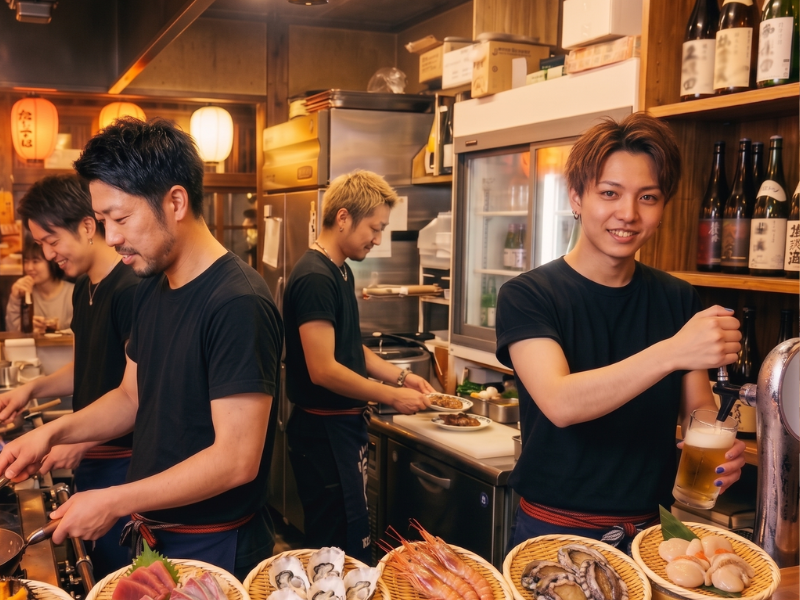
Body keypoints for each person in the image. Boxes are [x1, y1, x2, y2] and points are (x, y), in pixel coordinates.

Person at [0, 117, 283, 580]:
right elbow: (130, 397)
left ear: (175, 201)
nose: (110, 237)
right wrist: (51, 434)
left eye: (120, 218)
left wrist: (114, 499)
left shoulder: (238, 302)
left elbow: (236, 460)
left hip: (215, 543)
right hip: (157, 533)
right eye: (105, 220)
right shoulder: (153, 286)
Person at [495, 113, 746, 550]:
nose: (628, 214)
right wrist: (672, 351)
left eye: (647, 197)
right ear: (576, 197)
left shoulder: (678, 299)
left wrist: (719, 449)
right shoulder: (528, 295)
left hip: (651, 534)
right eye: (609, 193)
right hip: (553, 532)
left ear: (663, 207)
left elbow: (698, 412)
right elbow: (560, 402)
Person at [283, 170, 433, 562]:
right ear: (344, 217)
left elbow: (351, 349)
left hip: (341, 431)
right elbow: (324, 369)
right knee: (334, 552)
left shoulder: (340, 270)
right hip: (322, 435)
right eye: (375, 227)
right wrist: (391, 396)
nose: (378, 238)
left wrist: (403, 376)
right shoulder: (315, 277)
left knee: (352, 540)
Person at [0, 174, 139, 577]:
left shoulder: (129, 289)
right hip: (94, 454)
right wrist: (32, 389)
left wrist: (78, 440)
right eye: (40, 244)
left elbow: (136, 395)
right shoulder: (84, 288)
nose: (47, 254)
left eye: (51, 239)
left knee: (117, 572)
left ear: (87, 225)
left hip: (124, 462)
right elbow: (87, 366)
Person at [5, 232, 74, 333]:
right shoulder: (25, 293)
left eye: (35, 261)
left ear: (51, 262)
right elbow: (11, 332)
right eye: (26, 261)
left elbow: (84, 332)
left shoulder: (73, 292)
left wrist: (56, 328)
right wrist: (15, 298)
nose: (29, 268)